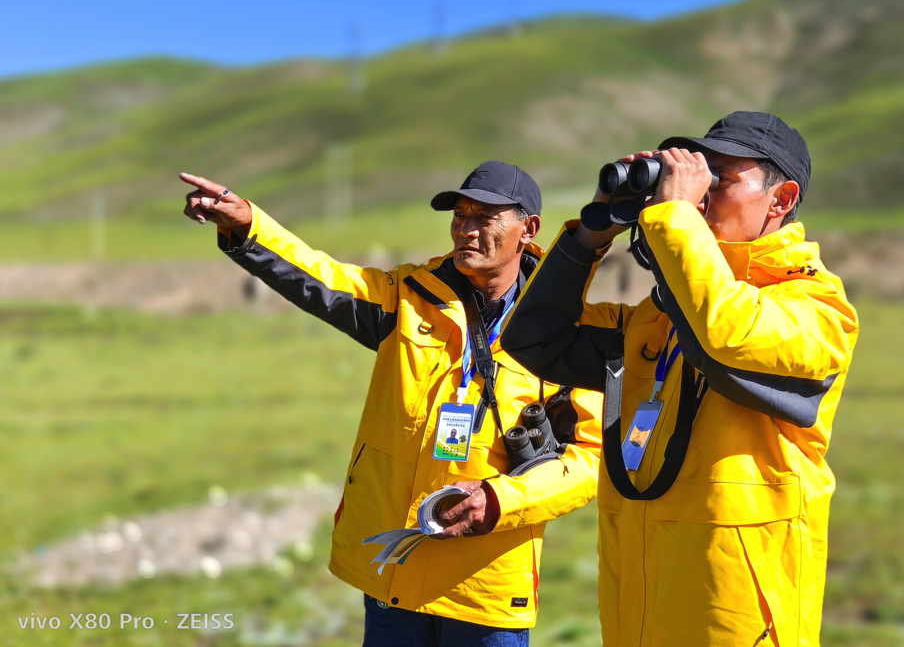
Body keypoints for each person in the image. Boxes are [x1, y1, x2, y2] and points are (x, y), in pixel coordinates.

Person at [181, 161, 604, 646]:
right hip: (394, 572)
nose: (465, 228)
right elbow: (321, 277)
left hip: (484, 588)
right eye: (459, 215)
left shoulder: (568, 329)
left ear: (528, 230)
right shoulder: (406, 296)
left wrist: (498, 499)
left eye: (484, 217)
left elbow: (590, 460)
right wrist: (248, 226)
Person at [501, 112, 859, 646]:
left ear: (780, 200)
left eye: (720, 178)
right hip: (640, 607)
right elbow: (534, 337)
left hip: (733, 616)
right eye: (695, 176)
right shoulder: (657, 316)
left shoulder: (817, 306)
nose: (700, 193)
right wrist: (594, 231)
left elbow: (726, 335)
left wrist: (674, 218)